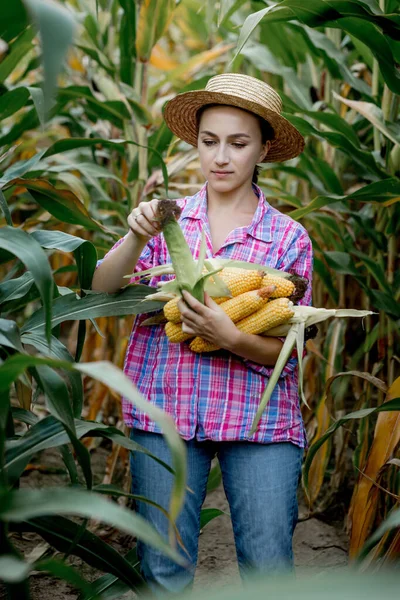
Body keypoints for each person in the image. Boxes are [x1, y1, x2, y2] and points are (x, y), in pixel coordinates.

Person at [92, 73, 313, 595]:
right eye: (209, 141)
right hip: (167, 409)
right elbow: (102, 290)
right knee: (165, 572)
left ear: (262, 148)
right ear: (196, 143)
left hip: (258, 418)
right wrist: (135, 233)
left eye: (238, 144)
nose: (221, 157)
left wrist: (229, 335)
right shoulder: (169, 219)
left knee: (268, 570)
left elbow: (292, 347)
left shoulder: (288, 238)